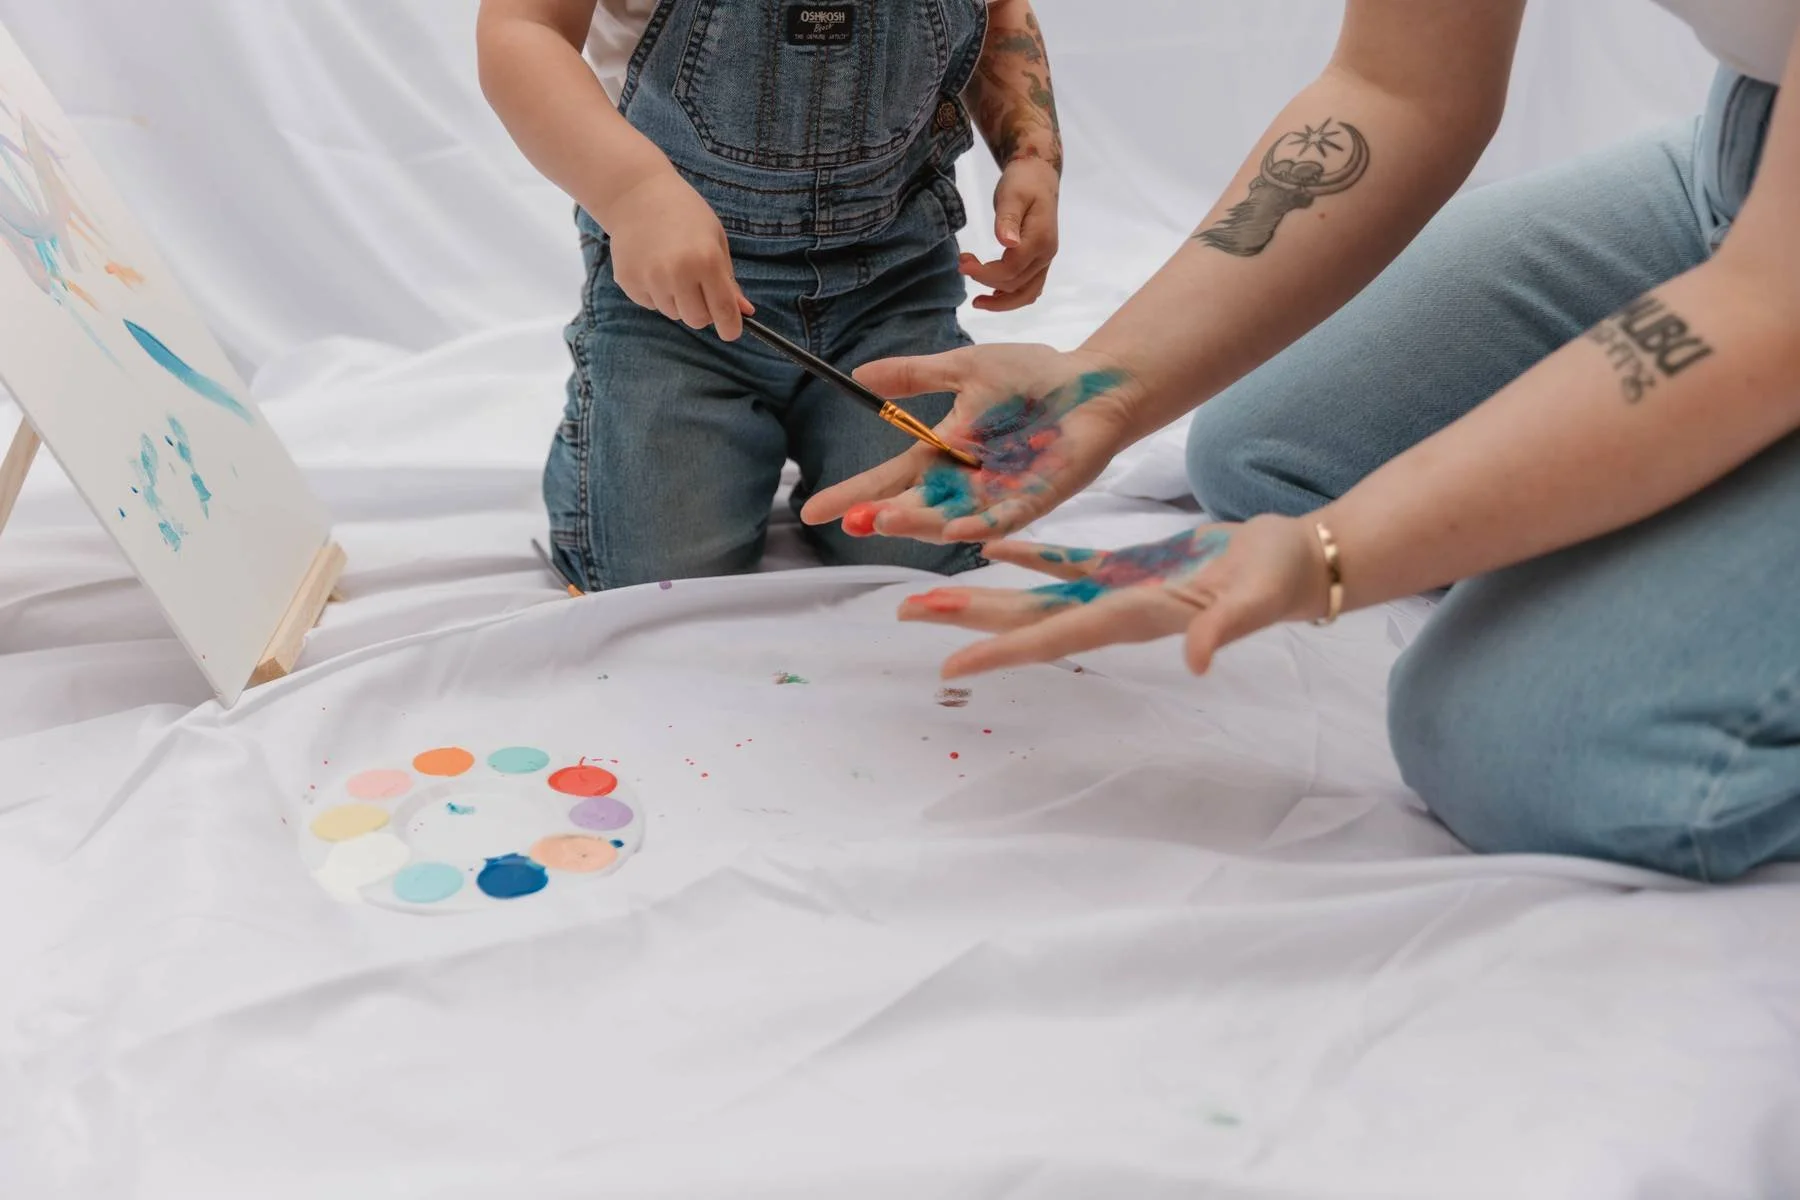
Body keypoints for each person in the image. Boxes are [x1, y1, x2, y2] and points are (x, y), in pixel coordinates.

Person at [799, 0, 1800, 882]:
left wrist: (1330, 555)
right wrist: (1110, 381)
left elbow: (1767, 307)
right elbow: (1399, 87)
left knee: (1508, 745)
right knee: (1267, 455)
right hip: (1748, 158)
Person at [475, 0, 1063, 589]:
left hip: (892, 281)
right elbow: (524, 28)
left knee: (916, 546)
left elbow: (999, 9)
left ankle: (815, 438)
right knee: (654, 574)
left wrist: (1032, 153)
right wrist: (633, 192)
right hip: (675, 299)